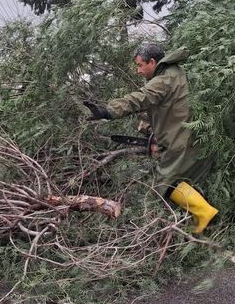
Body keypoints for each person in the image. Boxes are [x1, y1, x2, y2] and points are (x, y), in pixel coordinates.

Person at [83, 43, 218, 233]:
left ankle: (205, 214)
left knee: (165, 182)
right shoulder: (174, 73)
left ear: (152, 62)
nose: (138, 70)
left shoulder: (163, 80)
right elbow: (157, 110)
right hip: (187, 136)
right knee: (184, 179)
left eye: (140, 65)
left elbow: (139, 98)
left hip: (180, 140)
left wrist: (107, 111)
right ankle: (194, 221)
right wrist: (148, 131)